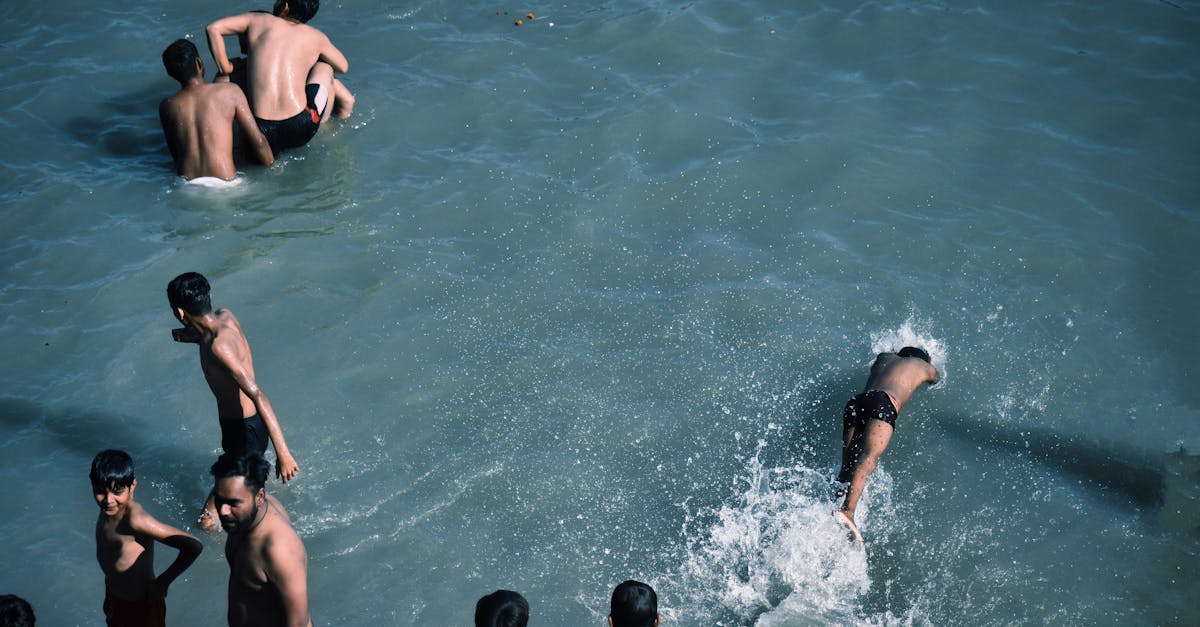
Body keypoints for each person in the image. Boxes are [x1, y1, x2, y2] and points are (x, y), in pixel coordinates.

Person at [167, 272, 299, 531]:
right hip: (245, 427)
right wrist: (193, 336)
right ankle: (257, 495)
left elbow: (257, 394)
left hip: (244, 432)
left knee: (207, 521)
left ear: (180, 312)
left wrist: (283, 453)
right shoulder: (226, 316)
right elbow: (217, 339)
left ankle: (252, 534)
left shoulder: (218, 347)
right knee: (245, 488)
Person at [205, 0, 355, 153]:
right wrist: (308, 58)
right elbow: (343, 67)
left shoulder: (257, 19)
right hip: (299, 128)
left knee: (225, 78)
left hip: (259, 131)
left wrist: (226, 67)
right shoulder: (315, 36)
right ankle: (322, 128)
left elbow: (213, 28)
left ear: (285, 5)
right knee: (325, 68)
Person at [834, 346, 940, 544]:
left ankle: (832, 505)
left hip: (857, 401)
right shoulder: (923, 366)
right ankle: (847, 511)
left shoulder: (884, 358)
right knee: (868, 457)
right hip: (883, 401)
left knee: (847, 468)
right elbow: (936, 379)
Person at [90, 450, 203, 627]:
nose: (108, 500)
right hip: (114, 594)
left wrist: (163, 583)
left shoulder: (136, 520)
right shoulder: (108, 509)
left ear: (132, 486)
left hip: (140, 607)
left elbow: (194, 546)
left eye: (117, 491)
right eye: (100, 491)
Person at [211, 451, 311, 627]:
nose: (223, 511)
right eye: (219, 500)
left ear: (259, 497)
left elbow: (299, 624)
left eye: (234, 503)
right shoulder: (242, 519)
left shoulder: (277, 549)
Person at [158, 39, 273, 182]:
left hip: (187, 184)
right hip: (224, 183)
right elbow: (259, 142)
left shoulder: (167, 106)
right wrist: (273, 170)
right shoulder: (230, 92)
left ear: (170, 73)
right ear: (199, 63)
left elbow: (176, 154)